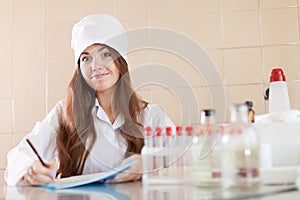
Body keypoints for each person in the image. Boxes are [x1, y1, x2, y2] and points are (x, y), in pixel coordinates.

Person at [5, 14, 175, 186]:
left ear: (121, 60)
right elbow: (18, 160)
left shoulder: (150, 115)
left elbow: (182, 158)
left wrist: (149, 163)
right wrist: (30, 170)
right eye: (86, 58)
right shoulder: (64, 114)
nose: (95, 66)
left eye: (106, 54)